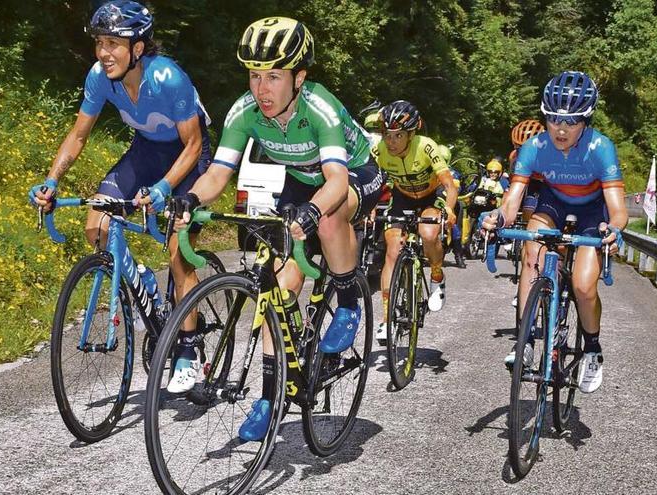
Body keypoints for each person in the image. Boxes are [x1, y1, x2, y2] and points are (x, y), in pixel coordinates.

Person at [168, 17, 382, 440]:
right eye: (254, 76)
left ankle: (348, 302)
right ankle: (271, 397)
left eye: (273, 77)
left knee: (330, 216)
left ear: (299, 78)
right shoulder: (244, 112)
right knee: (277, 292)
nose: (261, 89)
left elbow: (336, 182)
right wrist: (190, 199)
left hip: (355, 173)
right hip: (302, 179)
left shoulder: (319, 106)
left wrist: (312, 213)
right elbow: (218, 174)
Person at [28, 1, 212, 392]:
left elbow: (193, 144)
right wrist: (52, 181)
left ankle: (189, 350)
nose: (103, 52)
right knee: (96, 224)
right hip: (145, 150)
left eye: (114, 43)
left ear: (138, 49)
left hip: (189, 156)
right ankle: (142, 280)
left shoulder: (169, 78)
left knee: (180, 256)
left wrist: (164, 188)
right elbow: (78, 135)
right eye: (99, 42)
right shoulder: (100, 77)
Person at [482, 71, 627, 393]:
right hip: (552, 204)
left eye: (572, 122)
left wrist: (614, 229)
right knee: (531, 254)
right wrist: (498, 219)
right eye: (553, 120)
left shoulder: (602, 147)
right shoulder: (533, 147)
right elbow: (512, 202)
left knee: (583, 285)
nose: (561, 130)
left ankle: (592, 348)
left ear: (586, 120)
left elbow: (617, 208)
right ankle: (526, 339)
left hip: (593, 211)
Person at [371, 101, 458, 343]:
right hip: (402, 197)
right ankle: (387, 319)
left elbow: (449, 184)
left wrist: (449, 209)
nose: (392, 142)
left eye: (398, 135)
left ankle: (437, 276)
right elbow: (371, 182)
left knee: (428, 233)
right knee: (392, 250)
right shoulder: (379, 150)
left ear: (411, 134)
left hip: (431, 196)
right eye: (387, 135)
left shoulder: (426, 147)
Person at [508, 119, 545, 222]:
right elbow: (512, 181)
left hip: (546, 183)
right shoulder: (514, 157)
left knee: (531, 206)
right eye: (520, 148)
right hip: (526, 182)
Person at [437, 144, 466, 268]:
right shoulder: (428, 170)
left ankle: (458, 255)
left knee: (455, 227)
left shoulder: (453, 173)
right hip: (434, 201)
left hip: (449, 203)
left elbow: (457, 188)